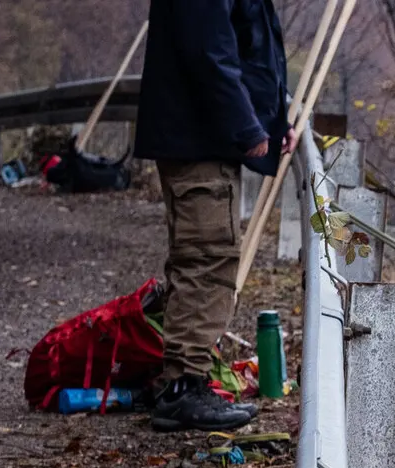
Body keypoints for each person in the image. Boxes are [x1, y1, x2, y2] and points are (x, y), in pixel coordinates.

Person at [133, 0, 290, 432]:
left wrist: (273, 120)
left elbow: (246, 45)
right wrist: (246, 125)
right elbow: (209, 50)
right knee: (207, 258)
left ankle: (182, 380)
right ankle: (183, 386)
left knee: (201, 256)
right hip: (197, 137)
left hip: (200, 135)